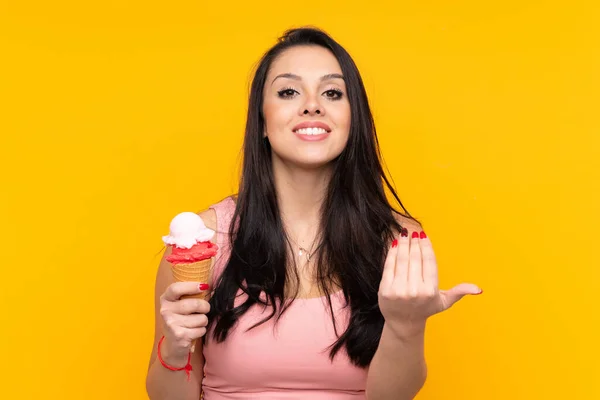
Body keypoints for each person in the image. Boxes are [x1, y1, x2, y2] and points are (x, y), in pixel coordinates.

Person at [146, 26, 482, 400]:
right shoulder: (205, 240)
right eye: (289, 91)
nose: (312, 104)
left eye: (332, 93)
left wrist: (407, 326)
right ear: (261, 120)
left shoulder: (398, 241)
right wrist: (175, 348)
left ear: (353, 120)